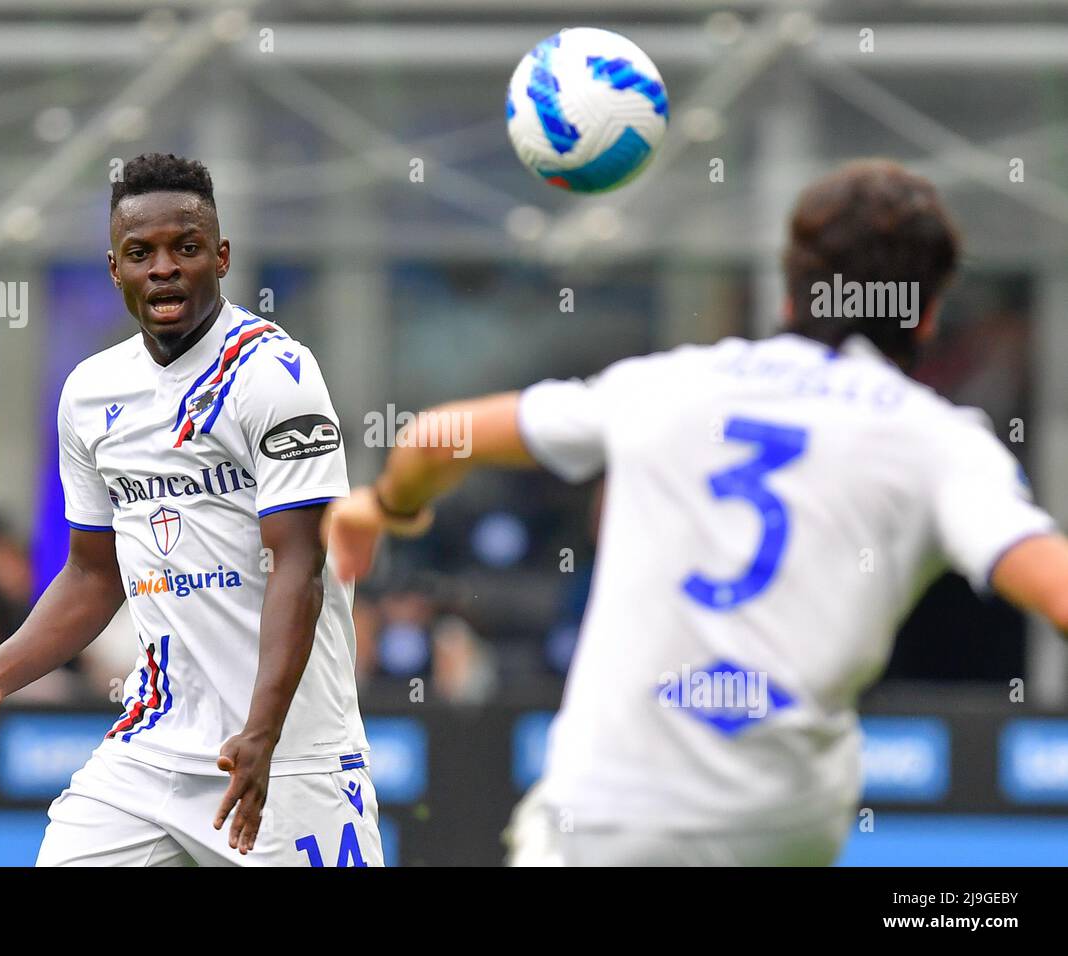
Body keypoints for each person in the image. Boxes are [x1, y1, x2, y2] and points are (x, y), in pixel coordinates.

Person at [328, 159, 1068, 866]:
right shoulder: (940, 440)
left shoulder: (668, 386)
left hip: (618, 809)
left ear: (789, 292)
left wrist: (386, 508)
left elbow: (436, 438)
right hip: (784, 824)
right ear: (929, 314)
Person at [0, 153, 380, 867]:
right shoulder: (91, 392)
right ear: (114, 269)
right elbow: (94, 576)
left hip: (290, 752)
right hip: (152, 747)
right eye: (140, 253)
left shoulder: (275, 374)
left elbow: (299, 564)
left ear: (220, 257)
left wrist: (263, 731)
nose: (164, 268)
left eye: (185, 248)